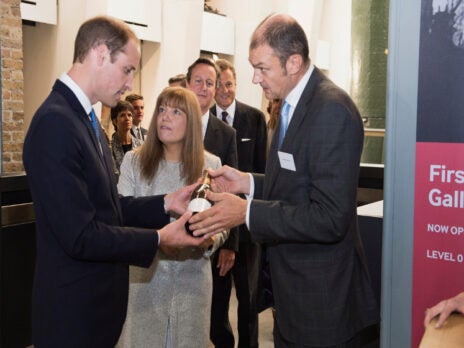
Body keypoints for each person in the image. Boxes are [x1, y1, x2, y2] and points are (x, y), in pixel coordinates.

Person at [189, 13, 379, 347]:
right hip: (291, 301)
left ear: (293, 62)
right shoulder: (291, 106)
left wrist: (245, 213)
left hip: (324, 309)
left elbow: (329, 217)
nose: (254, 79)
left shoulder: (331, 110)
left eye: (262, 68)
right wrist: (246, 183)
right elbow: (295, 186)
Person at [22, 16, 205, 348]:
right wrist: (159, 238)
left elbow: (107, 206)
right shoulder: (56, 123)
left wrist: (165, 203)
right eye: (128, 69)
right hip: (72, 316)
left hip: (93, 313)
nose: (130, 84)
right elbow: (80, 235)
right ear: (100, 54)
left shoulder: (83, 118)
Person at [116, 87, 229, 347]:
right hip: (145, 282)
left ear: (191, 121)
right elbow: (120, 215)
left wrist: (211, 240)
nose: (165, 117)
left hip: (193, 284)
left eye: (176, 111)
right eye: (162, 110)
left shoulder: (210, 166)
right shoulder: (134, 161)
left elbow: (222, 222)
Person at [209, 58, 267, 348]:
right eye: (218, 84)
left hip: (249, 228)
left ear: (236, 85)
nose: (223, 90)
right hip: (217, 228)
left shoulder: (254, 119)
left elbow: (263, 172)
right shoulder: (204, 121)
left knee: (248, 299)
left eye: (228, 84)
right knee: (217, 301)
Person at [186, 57, 239, 284]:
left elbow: (232, 193)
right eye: (198, 81)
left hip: (213, 237)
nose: (203, 88)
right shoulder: (170, 124)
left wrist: (229, 245)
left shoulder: (227, 134)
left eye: (209, 82)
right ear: (187, 84)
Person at [110, 100, 143, 178]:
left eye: (129, 115)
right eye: (122, 115)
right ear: (115, 121)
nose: (127, 118)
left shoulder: (142, 146)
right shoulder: (109, 148)